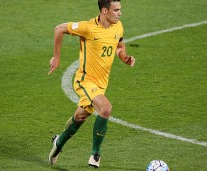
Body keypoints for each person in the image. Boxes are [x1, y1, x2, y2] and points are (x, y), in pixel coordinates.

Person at [48, 0, 135, 168]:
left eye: (120, 9)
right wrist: (56, 57)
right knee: (105, 108)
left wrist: (125, 57)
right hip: (85, 81)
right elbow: (59, 29)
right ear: (104, 11)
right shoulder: (88, 27)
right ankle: (96, 153)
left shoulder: (118, 27)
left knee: (80, 118)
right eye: (116, 10)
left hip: (102, 83)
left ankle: (58, 144)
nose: (120, 13)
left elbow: (119, 46)